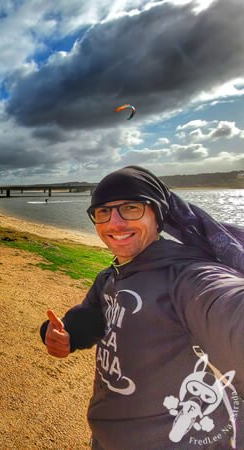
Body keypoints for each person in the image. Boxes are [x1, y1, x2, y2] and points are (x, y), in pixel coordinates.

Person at [41, 166, 244, 450]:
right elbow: (92, 316)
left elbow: (225, 305)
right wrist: (67, 335)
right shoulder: (110, 276)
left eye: (131, 208)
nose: (115, 223)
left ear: (157, 216)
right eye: (103, 212)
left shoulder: (186, 277)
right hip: (105, 437)